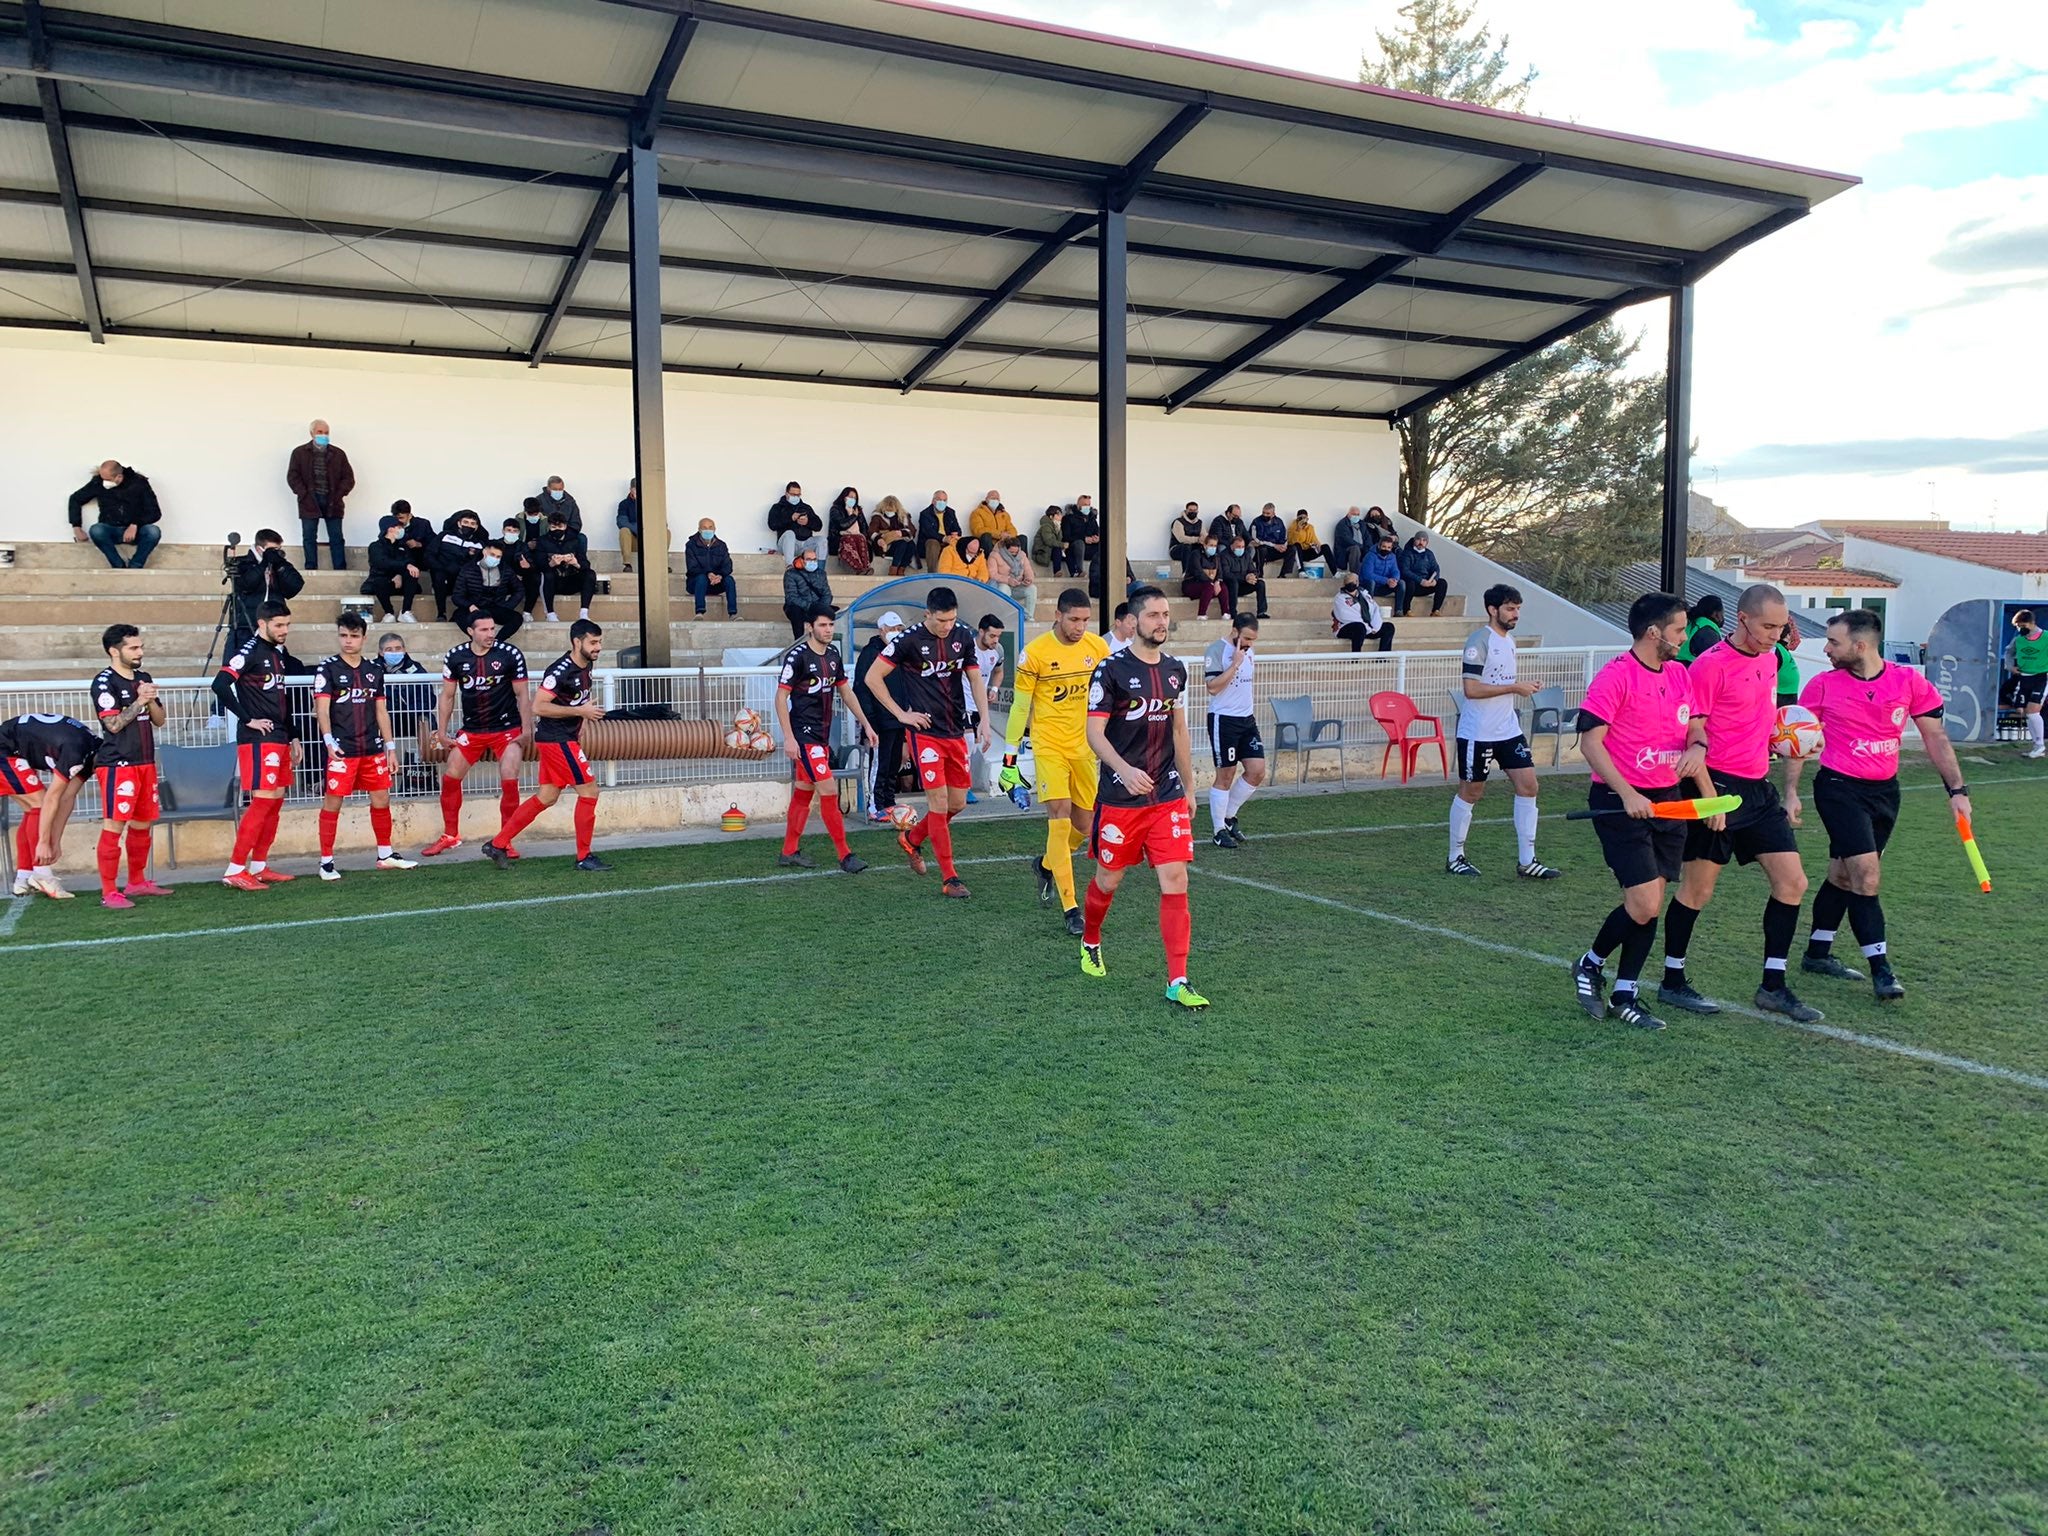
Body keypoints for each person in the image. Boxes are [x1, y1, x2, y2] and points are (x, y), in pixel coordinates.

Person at [1787, 608, 1970, 1002]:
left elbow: (1936, 739)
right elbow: (1797, 742)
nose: (1827, 649)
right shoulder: (1821, 685)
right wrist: (1790, 793)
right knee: (1866, 876)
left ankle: (1818, 952)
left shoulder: (1909, 683)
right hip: (1838, 788)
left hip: (1885, 793)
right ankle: (1882, 970)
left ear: (1861, 645)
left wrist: (1957, 792)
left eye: (1834, 642)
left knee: (1843, 874)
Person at [1657, 583, 1819, 1023]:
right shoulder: (1709, 666)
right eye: (1768, 626)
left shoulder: (1770, 659)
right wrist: (1711, 799)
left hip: (1758, 788)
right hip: (1715, 788)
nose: (1774, 635)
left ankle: (1773, 985)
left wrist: (1788, 785)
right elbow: (1693, 734)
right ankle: (1672, 980)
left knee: (1793, 883)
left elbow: (1761, 723)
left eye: (1781, 627)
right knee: (1698, 890)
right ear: (1743, 619)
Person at [1570, 593, 1714, 1032]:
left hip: (1668, 800)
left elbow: (1696, 729)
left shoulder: (1680, 675)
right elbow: (1591, 743)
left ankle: (1625, 992)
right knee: (1644, 901)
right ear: (1654, 632)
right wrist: (1628, 793)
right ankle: (1590, 963)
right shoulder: (1615, 677)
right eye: (1678, 630)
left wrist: (1696, 749)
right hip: (1620, 804)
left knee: (1647, 906)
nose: (1684, 637)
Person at [1080, 586, 1207, 1010]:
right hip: (1120, 797)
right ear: (1134, 621)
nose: (1162, 622)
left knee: (1176, 881)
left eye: (1166, 614)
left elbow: (1179, 732)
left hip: (1166, 793)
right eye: (1153, 615)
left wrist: (1189, 787)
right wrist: (1123, 769)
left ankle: (1178, 980)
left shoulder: (1175, 670)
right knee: (1108, 880)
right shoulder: (1110, 670)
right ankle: (1091, 939)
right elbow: (1094, 732)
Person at [863, 586, 991, 899]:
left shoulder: (962, 636)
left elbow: (975, 678)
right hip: (925, 733)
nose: (947, 626)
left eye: (952, 620)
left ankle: (911, 839)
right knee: (938, 804)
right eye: (941, 621)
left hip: (955, 731)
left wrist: (984, 720)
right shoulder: (908, 640)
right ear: (927, 615)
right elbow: (871, 677)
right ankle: (950, 878)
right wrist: (901, 714)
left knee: (957, 803)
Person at [1003, 588, 1112, 934]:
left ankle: (1046, 865)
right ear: (1058, 615)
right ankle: (1071, 908)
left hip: (1085, 747)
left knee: (1084, 827)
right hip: (1049, 746)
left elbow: (1111, 698)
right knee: (1059, 816)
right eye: (1074, 619)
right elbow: (1021, 707)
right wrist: (1010, 760)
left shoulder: (1098, 648)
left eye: (1085, 620)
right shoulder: (1034, 654)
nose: (1080, 627)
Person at [1449, 584, 1558, 880]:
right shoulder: (1478, 641)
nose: (1516, 615)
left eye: (1518, 609)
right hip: (1478, 732)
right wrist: (1515, 687)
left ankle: (1527, 861)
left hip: (1507, 729)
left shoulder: (1509, 640)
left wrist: (1523, 686)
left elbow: (1498, 682)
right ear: (1492, 609)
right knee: (1472, 791)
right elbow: (1471, 690)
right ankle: (1455, 857)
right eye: (1511, 609)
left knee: (1529, 785)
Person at [485, 619, 612, 872]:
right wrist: (579, 711)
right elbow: (538, 706)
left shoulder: (586, 664)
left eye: (599, 642)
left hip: (564, 738)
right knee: (590, 793)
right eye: (593, 642)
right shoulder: (560, 670)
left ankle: (497, 844)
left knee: (547, 796)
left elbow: (578, 699)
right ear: (577, 642)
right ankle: (583, 857)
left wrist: (582, 718)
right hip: (557, 740)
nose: (598, 647)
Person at [768, 606, 876, 873]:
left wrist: (866, 723)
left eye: (831, 625)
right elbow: (781, 697)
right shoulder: (798, 657)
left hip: (821, 735)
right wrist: (789, 739)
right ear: (809, 627)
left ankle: (789, 851)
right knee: (828, 790)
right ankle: (845, 855)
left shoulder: (833, 655)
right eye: (823, 625)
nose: (828, 630)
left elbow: (846, 693)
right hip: (804, 736)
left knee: (804, 792)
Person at [311, 611, 417, 881]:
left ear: (363, 638)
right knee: (333, 802)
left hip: (372, 748)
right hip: (342, 749)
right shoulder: (328, 668)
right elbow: (321, 709)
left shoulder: (374, 670)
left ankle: (385, 855)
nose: (348, 641)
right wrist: (328, 740)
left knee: (382, 798)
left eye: (354, 636)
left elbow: (382, 711)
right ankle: (326, 862)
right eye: (343, 636)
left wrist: (391, 747)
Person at [421, 613, 531, 859]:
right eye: (483, 630)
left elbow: (522, 694)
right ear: (470, 631)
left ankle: (505, 840)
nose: (490, 634)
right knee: (451, 777)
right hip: (472, 730)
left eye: (492, 628)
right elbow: (447, 696)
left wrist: (526, 729)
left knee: (510, 777)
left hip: (506, 728)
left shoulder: (509, 654)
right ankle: (450, 836)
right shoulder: (455, 656)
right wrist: (441, 730)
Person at [212, 600, 299, 891]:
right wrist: (247, 719)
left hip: (279, 737)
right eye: (279, 625)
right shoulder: (248, 651)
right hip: (258, 740)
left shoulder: (277, 652)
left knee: (275, 801)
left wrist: (294, 735)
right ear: (262, 624)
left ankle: (259, 866)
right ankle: (235, 868)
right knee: (262, 800)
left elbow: (282, 700)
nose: (284, 630)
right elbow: (220, 685)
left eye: (287, 624)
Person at [89, 623, 171, 908]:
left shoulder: (143, 677)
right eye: (133, 647)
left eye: (141, 647)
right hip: (117, 765)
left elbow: (160, 720)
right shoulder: (104, 682)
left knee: (143, 824)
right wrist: (139, 701)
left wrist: (150, 701)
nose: (140, 652)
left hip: (145, 762)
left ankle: (137, 882)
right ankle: (109, 891)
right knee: (115, 825)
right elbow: (112, 725)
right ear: (114, 651)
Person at [0, 712, 101, 900]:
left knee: (32, 809)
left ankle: (24, 878)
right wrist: (44, 843)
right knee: (39, 805)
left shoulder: (92, 751)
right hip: (4, 750)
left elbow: (67, 798)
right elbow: (53, 798)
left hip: (11, 749)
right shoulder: (77, 751)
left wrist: (55, 841)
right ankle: (42, 874)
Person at [1203, 615, 1266, 847]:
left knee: (1257, 771)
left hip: (1246, 719)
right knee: (1225, 775)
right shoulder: (1216, 650)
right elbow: (1213, 688)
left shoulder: (1250, 651)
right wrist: (1235, 664)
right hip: (1224, 720)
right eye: (1247, 637)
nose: (1250, 643)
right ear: (1235, 630)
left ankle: (1229, 816)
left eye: (1253, 639)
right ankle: (1218, 830)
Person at [854, 611, 907, 822]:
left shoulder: (899, 652)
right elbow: (862, 688)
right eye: (892, 628)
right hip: (879, 720)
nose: (895, 632)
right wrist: (870, 721)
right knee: (879, 763)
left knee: (894, 763)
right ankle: (874, 806)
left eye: (898, 628)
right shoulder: (870, 653)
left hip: (897, 718)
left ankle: (889, 802)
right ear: (881, 629)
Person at [286, 418, 356, 571]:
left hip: (333, 500)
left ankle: (340, 568)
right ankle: (311, 567)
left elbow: (348, 478)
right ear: (311, 433)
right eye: (320, 432)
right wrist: (304, 494)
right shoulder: (299, 453)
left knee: (336, 537)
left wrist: (339, 494)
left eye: (326, 432)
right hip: (309, 500)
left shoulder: (338, 454)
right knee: (309, 536)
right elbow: (293, 476)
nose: (323, 435)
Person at [67, 461, 163, 569]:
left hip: (135, 531)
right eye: (102, 478)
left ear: (119, 476)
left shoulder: (138, 483)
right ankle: (117, 565)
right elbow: (75, 499)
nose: (104, 482)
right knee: (96, 530)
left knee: (153, 532)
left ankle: (136, 564)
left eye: (107, 480)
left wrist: (135, 524)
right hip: (110, 528)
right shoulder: (98, 482)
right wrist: (76, 527)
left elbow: (154, 512)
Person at [228, 530, 305, 651]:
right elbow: (245, 585)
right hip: (247, 624)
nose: (275, 553)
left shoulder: (279, 564)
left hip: (274, 625)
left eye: (278, 549)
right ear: (259, 549)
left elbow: (295, 586)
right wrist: (263, 564)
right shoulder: (242, 563)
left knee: (273, 665)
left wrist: (280, 565)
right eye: (272, 550)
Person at [451, 540, 525, 641]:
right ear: (484, 552)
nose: (495, 558)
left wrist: (508, 605)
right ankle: (477, 640)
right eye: (492, 554)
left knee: (517, 618)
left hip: (496, 607)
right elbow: (457, 596)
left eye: (498, 556)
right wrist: (469, 606)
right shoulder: (468, 569)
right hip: (475, 608)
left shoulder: (505, 570)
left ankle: (497, 641)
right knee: (459, 615)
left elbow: (519, 589)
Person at [537, 509, 597, 621]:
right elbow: (539, 564)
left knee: (590, 574)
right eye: (553, 527)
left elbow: (585, 563)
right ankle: (550, 613)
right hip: (554, 582)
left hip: (571, 578)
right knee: (547, 575)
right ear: (549, 527)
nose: (557, 530)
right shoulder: (543, 541)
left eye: (560, 527)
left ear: (565, 526)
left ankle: (584, 613)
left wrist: (576, 563)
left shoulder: (575, 540)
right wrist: (551, 563)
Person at [432, 509, 487, 623]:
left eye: (472, 524)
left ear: (477, 526)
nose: (469, 526)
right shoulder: (445, 536)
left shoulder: (479, 544)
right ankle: (441, 613)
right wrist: (440, 567)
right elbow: (429, 555)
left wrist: (471, 555)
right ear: (458, 523)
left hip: (463, 578)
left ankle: (461, 614)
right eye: (465, 522)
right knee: (439, 576)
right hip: (443, 574)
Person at [362, 518, 423, 621]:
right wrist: (397, 573)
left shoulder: (402, 546)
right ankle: (389, 613)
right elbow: (381, 563)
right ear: (390, 529)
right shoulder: (376, 546)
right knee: (379, 581)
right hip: (384, 582)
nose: (401, 530)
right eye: (399, 527)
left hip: (401, 583)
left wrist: (399, 574)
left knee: (412, 572)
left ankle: (405, 611)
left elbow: (410, 561)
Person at [2008, 608, 2048, 757]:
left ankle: (2039, 746)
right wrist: (2010, 666)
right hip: (2025, 677)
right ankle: (2036, 746)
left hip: (2042, 677)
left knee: (2033, 711)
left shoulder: (2046, 637)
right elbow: (2009, 652)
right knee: (2026, 712)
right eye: (2018, 626)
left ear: (2031, 623)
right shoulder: (2018, 640)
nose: (2020, 629)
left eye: (2022, 625)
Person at [686, 518, 738, 617]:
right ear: (699, 529)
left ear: (715, 528)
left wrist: (720, 575)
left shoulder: (721, 545)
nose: (708, 530)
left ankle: (733, 614)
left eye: (710, 527)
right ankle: (699, 612)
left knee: (729, 580)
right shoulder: (691, 545)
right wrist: (708, 574)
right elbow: (692, 567)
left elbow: (727, 565)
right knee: (701, 578)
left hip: (716, 583)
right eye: (704, 527)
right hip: (697, 584)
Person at [1332, 578, 1395, 652]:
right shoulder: (1340, 598)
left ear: (1357, 583)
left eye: (1353, 582)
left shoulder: (1364, 594)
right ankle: (1356, 657)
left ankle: (1383, 656)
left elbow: (1374, 609)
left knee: (1389, 627)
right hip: (1346, 627)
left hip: (1369, 627)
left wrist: (1375, 626)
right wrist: (1368, 627)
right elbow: (1346, 616)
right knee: (1359, 627)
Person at [498, 514, 543, 617]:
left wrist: (529, 566)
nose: (511, 533)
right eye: (509, 530)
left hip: (520, 578)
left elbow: (532, 564)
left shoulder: (522, 546)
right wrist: (511, 575)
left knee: (535, 579)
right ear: (503, 531)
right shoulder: (496, 545)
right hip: (501, 578)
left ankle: (527, 612)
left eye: (515, 531)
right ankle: (501, 610)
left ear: (519, 532)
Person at [768, 482, 823, 563]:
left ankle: (820, 571)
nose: (796, 497)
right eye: (793, 494)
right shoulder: (777, 507)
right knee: (790, 534)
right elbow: (772, 525)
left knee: (822, 540)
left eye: (798, 495)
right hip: (787, 545)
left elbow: (819, 526)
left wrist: (808, 522)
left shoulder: (806, 508)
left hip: (805, 544)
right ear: (786, 494)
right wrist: (790, 518)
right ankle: (789, 566)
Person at [782, 550, 832, 639]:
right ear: (802, 560)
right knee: (795, 611)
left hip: (817, 606)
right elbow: (791, 597)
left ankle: (825, 640)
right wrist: (810, 607)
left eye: (814, 559)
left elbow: (827, 594)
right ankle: (798, 641)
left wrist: (821, 607)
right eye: (808, 559)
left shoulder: (821, 573)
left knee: (832, 612)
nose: (812, 562)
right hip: (800, 607)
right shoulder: (791, 574)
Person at [1217, 534, 1268, 620]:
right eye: (1238, 546)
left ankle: (1261, 612)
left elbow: (1254, 570)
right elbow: (1226, 574)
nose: (1241, 549)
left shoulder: (1246, 555)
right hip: (1230, 587)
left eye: (1243, 546)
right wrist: (1245, 577)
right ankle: (1233, 612)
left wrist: (1253, 576)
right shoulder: (1224, 555)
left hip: (1244, 584)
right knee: (1233, 582)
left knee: (1260, 583)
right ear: (1232, 546)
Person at [1398, 531, 1449, 617]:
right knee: (1409, 582)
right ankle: (1406, 610)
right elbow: (1405, 571)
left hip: (1426, 584)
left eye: (1424, 540)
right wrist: (1420, 580)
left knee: (1442, 583)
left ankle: (1435, 610)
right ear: (1414, 540)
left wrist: (1434, 580)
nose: (1421, 542)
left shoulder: (1429, 554)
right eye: (1418, 539)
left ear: (1427, 542)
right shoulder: (1407, 553)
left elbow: (1436, 568)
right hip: (1412, 585)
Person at [1179, 533, 1228, 621]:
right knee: (1209, 587)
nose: (1213, 548)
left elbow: (1220, 572)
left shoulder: (1216, 557)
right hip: (1192, 584)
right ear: (1205, 545)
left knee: (1223, 587)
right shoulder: (1196, 554)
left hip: (1209, 584)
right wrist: (1212, 583)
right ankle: (1201, 614)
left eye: (1215, 545)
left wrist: (1217, 581)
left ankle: (1225, 613)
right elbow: (1198, 572)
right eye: (1211, 545)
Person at [987, 537, 1037, 620]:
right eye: (1011, 552)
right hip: (1002, 585)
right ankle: (1007, 616)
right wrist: (1007, 580)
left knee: (1032, 589)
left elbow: (1028, 570)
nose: (1014, 554)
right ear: (1005, 549)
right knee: (1004, 588)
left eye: (1016, 552)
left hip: (1018, 585)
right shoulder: (994, 555)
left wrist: (1028, 579)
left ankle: (1029, 616)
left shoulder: (1022, 555)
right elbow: (992, 574)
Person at [870, 497, 918, 576]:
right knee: (902, 543)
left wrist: (901, 533)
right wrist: (879, 539)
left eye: (892, 510)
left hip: (901, 544)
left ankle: (901, 569)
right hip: (885, 546)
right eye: (888, 510)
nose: (890, 512)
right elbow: (871, 531)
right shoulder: (877, 516)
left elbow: (912, 531)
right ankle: (893, 568)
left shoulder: (903, 516)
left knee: (911, 544)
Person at [1064, 495, 1102, 588]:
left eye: (1089, 505)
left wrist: (1096, 538)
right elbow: (1066, 536)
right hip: (1075, 548)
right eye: (1085, 504)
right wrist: (1083, 538)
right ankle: (1080, 571)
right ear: (1078, 505)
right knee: (1079, 543)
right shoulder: (1068, 518)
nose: (1087, 507)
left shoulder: (1092, 518)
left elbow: (1096, 531)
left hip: (1091, 548)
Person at [916, 490, 960, 571]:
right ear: (933, 501)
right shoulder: (925, 514)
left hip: (948, 541)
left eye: (944, 500)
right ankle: (932, 573)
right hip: (932, 542)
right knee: (932, 543)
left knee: (959, 543)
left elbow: (957, 529)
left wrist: (955, 534)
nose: (942, 502)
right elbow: (928, 532)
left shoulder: (950, 512)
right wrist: (943, 538)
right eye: (939, 499)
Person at [1677, 595, 1724, 663]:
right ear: (1715, 614)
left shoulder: (1692, 622)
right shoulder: (1708, 632)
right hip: (1686, 669)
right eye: (1722, 613)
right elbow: (1712, 662)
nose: (1722, 617)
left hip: (1673, 665)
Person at [1287, 509, 1334, 576]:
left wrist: (1317, 546)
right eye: (1301, 518)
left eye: (1304, 518)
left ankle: (1334, 572)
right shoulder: (1292, 527)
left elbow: (1314, 539)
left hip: (1307, 551)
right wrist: (1298, 529)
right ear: (1297, 518)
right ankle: (1301, 571)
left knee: (1325, 547)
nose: (1303, 520)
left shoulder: (1310, 527)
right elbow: (1292, 542)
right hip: (1298, 553)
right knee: (1297, 545)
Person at [1362, 534, 1403, 606]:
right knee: (1371, 582)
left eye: (1389, 547)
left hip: (1383, 586)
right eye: (1384, 546)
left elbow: (1395, 570)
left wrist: (1394, 580)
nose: (1386, 549)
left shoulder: (1392, 557)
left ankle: (1399, 611)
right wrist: (1386, 580)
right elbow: (1367, 575)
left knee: (1401, 583)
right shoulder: (1370, 556)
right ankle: (1369, 608)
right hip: (1369, 586)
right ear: (1379, 546)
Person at [1250, 504, 1288, 576]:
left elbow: (1284, 536)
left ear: (1273, 514)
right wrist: (1274, 545)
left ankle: (1283, 574)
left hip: (1276, 551)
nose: (1265, 515)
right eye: (1263, 512)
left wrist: (1283, 546)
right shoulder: (1256, 521)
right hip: (1263, 550)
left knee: (1292, 549)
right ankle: (1259, 573)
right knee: (1261, 548)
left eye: (1268, 513)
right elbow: (1256, 540)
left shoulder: (1279, 522)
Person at [825, 487, 864, 558]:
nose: (853, 500)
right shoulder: (835, 509)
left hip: (856, 539)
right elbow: (842, 525)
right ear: (844, 497)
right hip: (838, 540)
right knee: (850, 539)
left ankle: (864, 568)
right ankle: (860, 568)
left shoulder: (857, 510)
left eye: (855, 498)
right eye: (851, 497)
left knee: (861, 539)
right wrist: (854, 516)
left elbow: (864, 528)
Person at [1033, 503, 1070, 575]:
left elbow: (1058, 540)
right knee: (1057, 549)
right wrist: (1062, 545)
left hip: (1051, 552)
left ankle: (1075, 572)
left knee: (1069, 552)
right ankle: (1057, 571)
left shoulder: (1058, 526)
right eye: (1058, 514)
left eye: (1060, 514)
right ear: (1051, 516)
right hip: (1043, 553)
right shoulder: (1046, 526)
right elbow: (1049, 541)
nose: (1061, 516)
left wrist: (1063, 547)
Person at [1331, 506, 1369, 575]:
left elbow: (1367, 538)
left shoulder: (1362, 524)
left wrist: (1368, 548)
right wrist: (1361, 546)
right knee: (1355, 548)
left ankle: (1367, 574)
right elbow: (1346, 540)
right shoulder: (1342, 524)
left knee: (1371, 550)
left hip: (1361, 548)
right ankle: (1355, 575)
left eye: (1358, 514)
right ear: (1348, 514)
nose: (1356, 516)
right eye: (1354, 514)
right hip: (1345, 550)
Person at [615, 478, 641, 572]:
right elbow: (622, 522)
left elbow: (662, 523)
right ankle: (627, 564)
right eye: (635, 489)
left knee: (666, 532)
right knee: (624, 531)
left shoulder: (652, 503)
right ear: (631, 489)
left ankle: (663, 563)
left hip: (650, 539)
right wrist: (640, 530)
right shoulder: (624, 504)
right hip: (634, 539)